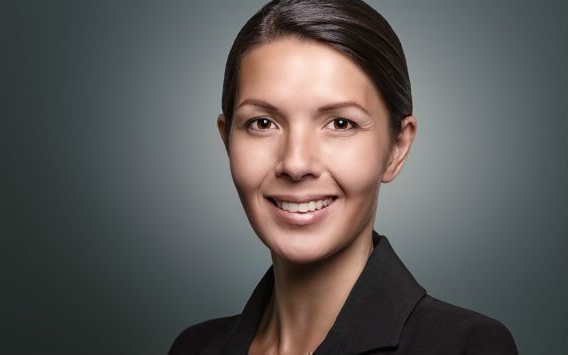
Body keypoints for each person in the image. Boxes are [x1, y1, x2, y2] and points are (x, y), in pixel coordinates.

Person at [169, 0, 518, 354]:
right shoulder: (194, 347)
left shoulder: (465, 346)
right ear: (228, 140)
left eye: (340, 123)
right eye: (263, 123)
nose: (296, 162)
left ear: (397, 147)